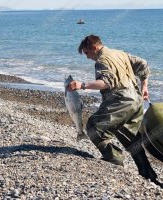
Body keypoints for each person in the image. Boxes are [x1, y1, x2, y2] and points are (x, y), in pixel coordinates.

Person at [67, 34, 157, 182]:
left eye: (87, 53)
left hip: (121, 101)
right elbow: (143, 64)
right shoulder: (119, 53)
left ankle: (114, 159)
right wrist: (144, 86)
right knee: (130, 137)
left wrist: (82, 85)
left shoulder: (102, 60)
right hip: (136, 100)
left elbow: (105, 83)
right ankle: (148, 174)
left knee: (93, 126)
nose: (87, 57)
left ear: (94, 48)